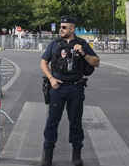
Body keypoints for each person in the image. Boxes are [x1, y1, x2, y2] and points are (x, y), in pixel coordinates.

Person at [40, 16, 100, 166]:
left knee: (75, 122)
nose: (61, 29)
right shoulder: (54, 44)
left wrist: (84, 53)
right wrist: (51, 79)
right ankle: (48, 155)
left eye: (64, 27)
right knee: (52, 122)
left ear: (72, 29)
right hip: (57, 88)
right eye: (60, 27)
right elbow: (43, 62)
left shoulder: (81, 43)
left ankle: (76, 155)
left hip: (75, 88)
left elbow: (96, 62)